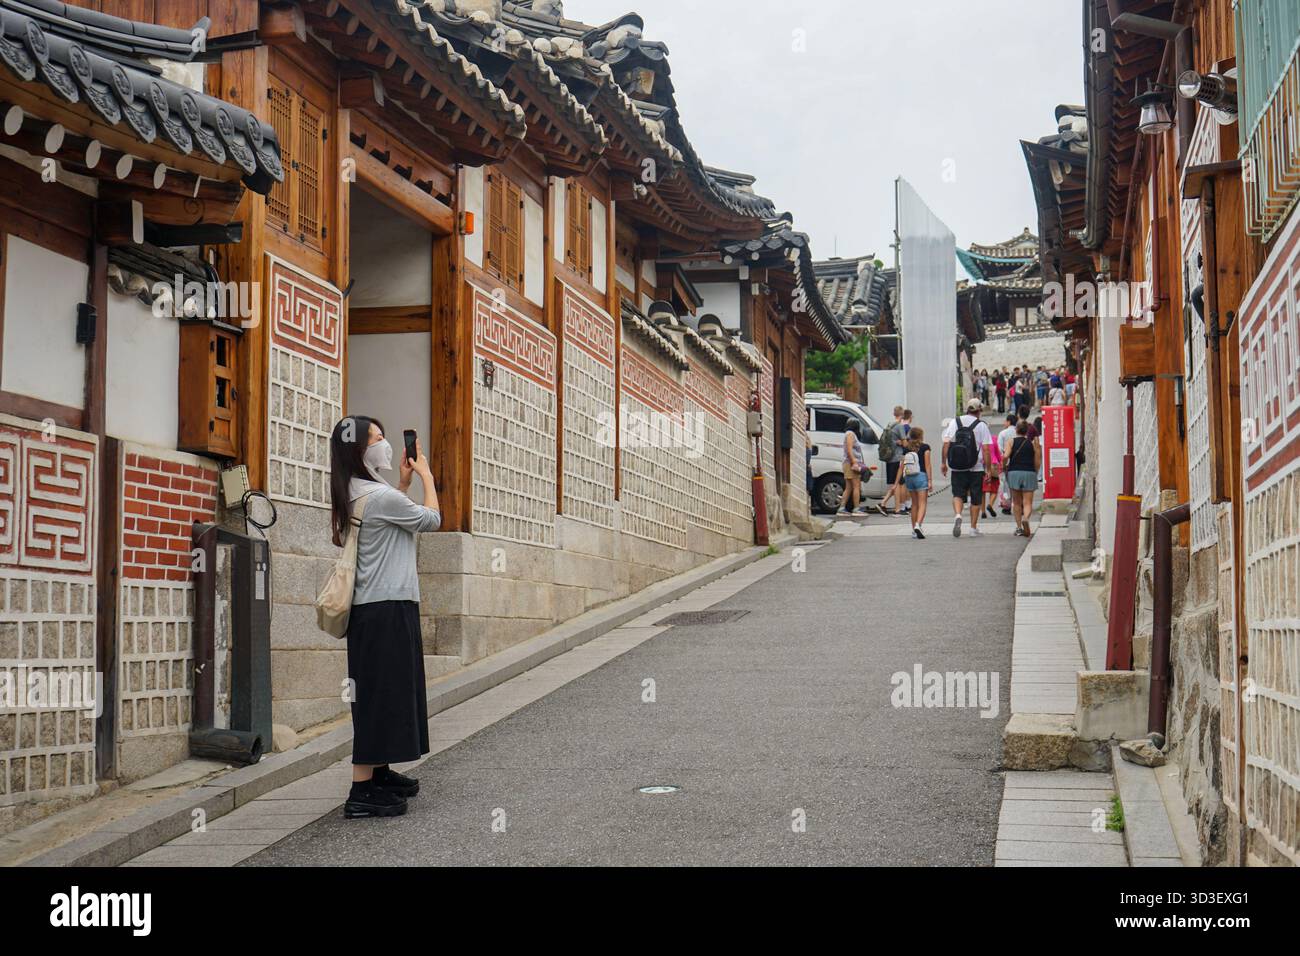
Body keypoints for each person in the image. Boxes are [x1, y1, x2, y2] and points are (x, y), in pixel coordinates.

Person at [329, 415, 442, 820]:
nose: (387, 444)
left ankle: (378, 775)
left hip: (374, 611)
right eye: (378, 438)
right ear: (361, 450)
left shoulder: (355, 490)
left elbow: (390, 519)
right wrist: (427, 477)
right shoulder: (378, 497)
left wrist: (404, 484)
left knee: (383, 693)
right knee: (380, 698)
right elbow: (431, 520)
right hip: (386, 609)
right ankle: (361, 792)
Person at [941, 398, 993, 537]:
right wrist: (988, 469)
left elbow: (946, 444)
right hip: (976, 466)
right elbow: (987, 450)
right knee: (976, 497)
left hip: (958, 465)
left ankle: (958, 515)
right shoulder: (982, 425)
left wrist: (943, 463)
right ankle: (973, 528)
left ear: (967, 409)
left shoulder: (955, 422)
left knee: (957, 493)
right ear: (979, 411)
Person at [1005, 420, 1041, 537]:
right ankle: (1026, 518)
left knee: (1016, 502)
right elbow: (1037, 461)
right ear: (1027, 432)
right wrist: (1034, 472)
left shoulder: (1011, 441)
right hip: (1029, 472)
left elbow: (1006, 456)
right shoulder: (1032, 444)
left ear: (1016, 430)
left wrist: (1004, 463)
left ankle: (1019, 527)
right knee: (1027, 502)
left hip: (1014, 472)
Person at [875, 406, 909, 516]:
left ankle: (889, 505)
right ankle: (896, 509)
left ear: (894, 414)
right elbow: (905, 444)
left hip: (889, 458)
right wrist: (903, 442)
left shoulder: (889, 425)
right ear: (902, 414)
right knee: (898, 483)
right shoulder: (899, 426)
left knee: (894, 483)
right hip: (897, 458)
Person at [901, 427, 931, 539]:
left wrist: (897, 480)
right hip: (921, 476)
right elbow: (927, 465)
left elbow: (902, 465)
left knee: (914, 504)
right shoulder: (925, 447)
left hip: (909, 478)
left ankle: (914, 530)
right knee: (922, 503)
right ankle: (918, 524)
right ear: (920, 436)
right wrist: (930, 480)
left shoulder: (906, 449)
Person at [839, 418, 868, 514]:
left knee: (849, 487)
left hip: (847, 463)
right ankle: (856, 508)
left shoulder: (848, 434)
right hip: (851, 463)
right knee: (856, 486)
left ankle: (842, 507)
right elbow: (849, 449)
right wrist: (854, 462)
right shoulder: (851, 434)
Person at [997, 412, 1018, 514]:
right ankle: (1017, 504)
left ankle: (1007, 506)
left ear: (1009, 422)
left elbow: (1000, 449)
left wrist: (1002, 462)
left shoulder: (1003, 433)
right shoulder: (1018, 432)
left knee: (1005, 484)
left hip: (1006, 461)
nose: (1004, 422)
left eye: (1005, 420)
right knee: (1016, 484)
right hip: (1018, 461)